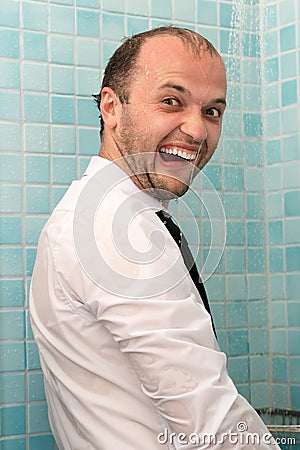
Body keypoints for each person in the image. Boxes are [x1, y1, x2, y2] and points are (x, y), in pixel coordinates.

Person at [30, 27, 279, 449]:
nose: (198, 131)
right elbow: (212, 425)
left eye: (213, 111)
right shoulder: (112, 228)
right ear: (112, 108)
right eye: (172, 101)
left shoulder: (96, 214)